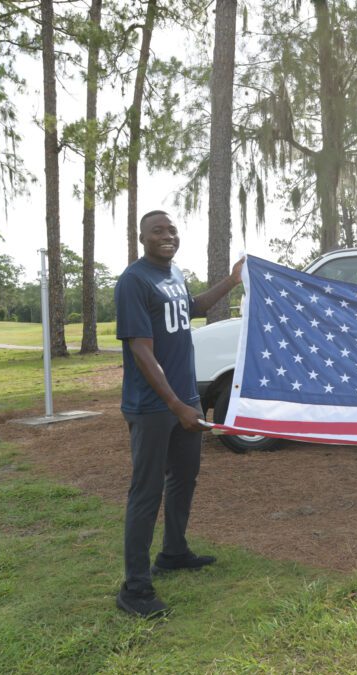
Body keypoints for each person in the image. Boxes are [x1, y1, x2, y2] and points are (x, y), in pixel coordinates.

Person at [113, 210, 245, 617]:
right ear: (142, 238)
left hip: (183, 401)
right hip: (153, 407)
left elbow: (196, 307)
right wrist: (175, 406)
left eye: (172, 230)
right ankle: (134, 589)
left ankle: (173, 553)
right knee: (146, 491)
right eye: (158, 230)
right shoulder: (134, 281)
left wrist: (233, 279)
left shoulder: (174, 275)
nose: (167, 235)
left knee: (184, 479)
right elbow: (141, 349)